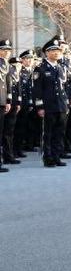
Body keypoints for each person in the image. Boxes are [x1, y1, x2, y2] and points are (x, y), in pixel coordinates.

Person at [32, 38, 70, 167]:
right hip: (48, 106)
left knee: (59, 133)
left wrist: (66, 104)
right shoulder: (40, 68)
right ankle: (47, 158)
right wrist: (40, 106)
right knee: (47, 133)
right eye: (53, 50)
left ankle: (56, 156)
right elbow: (37, 89)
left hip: (60, 105)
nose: (57, 53)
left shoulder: (60, 68)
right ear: (46, 53)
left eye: (58, 50)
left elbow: (63, 87)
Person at [2, 56, 21, 165]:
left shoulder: (13, 71)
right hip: (5, 103)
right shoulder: (7, 69)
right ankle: (7, 155)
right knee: (5, 132)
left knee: (9, 131)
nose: (17, 66)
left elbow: (16, 88)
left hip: (11, 103)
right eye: (15, 64)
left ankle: (9, 155)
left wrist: (18, 103)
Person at [0, 40, 13, 172]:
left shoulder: (6, 65)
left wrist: (8, 101)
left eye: (9, 50)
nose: (7, 52)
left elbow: (8, 84)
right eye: (4, 49)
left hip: (2, 102)